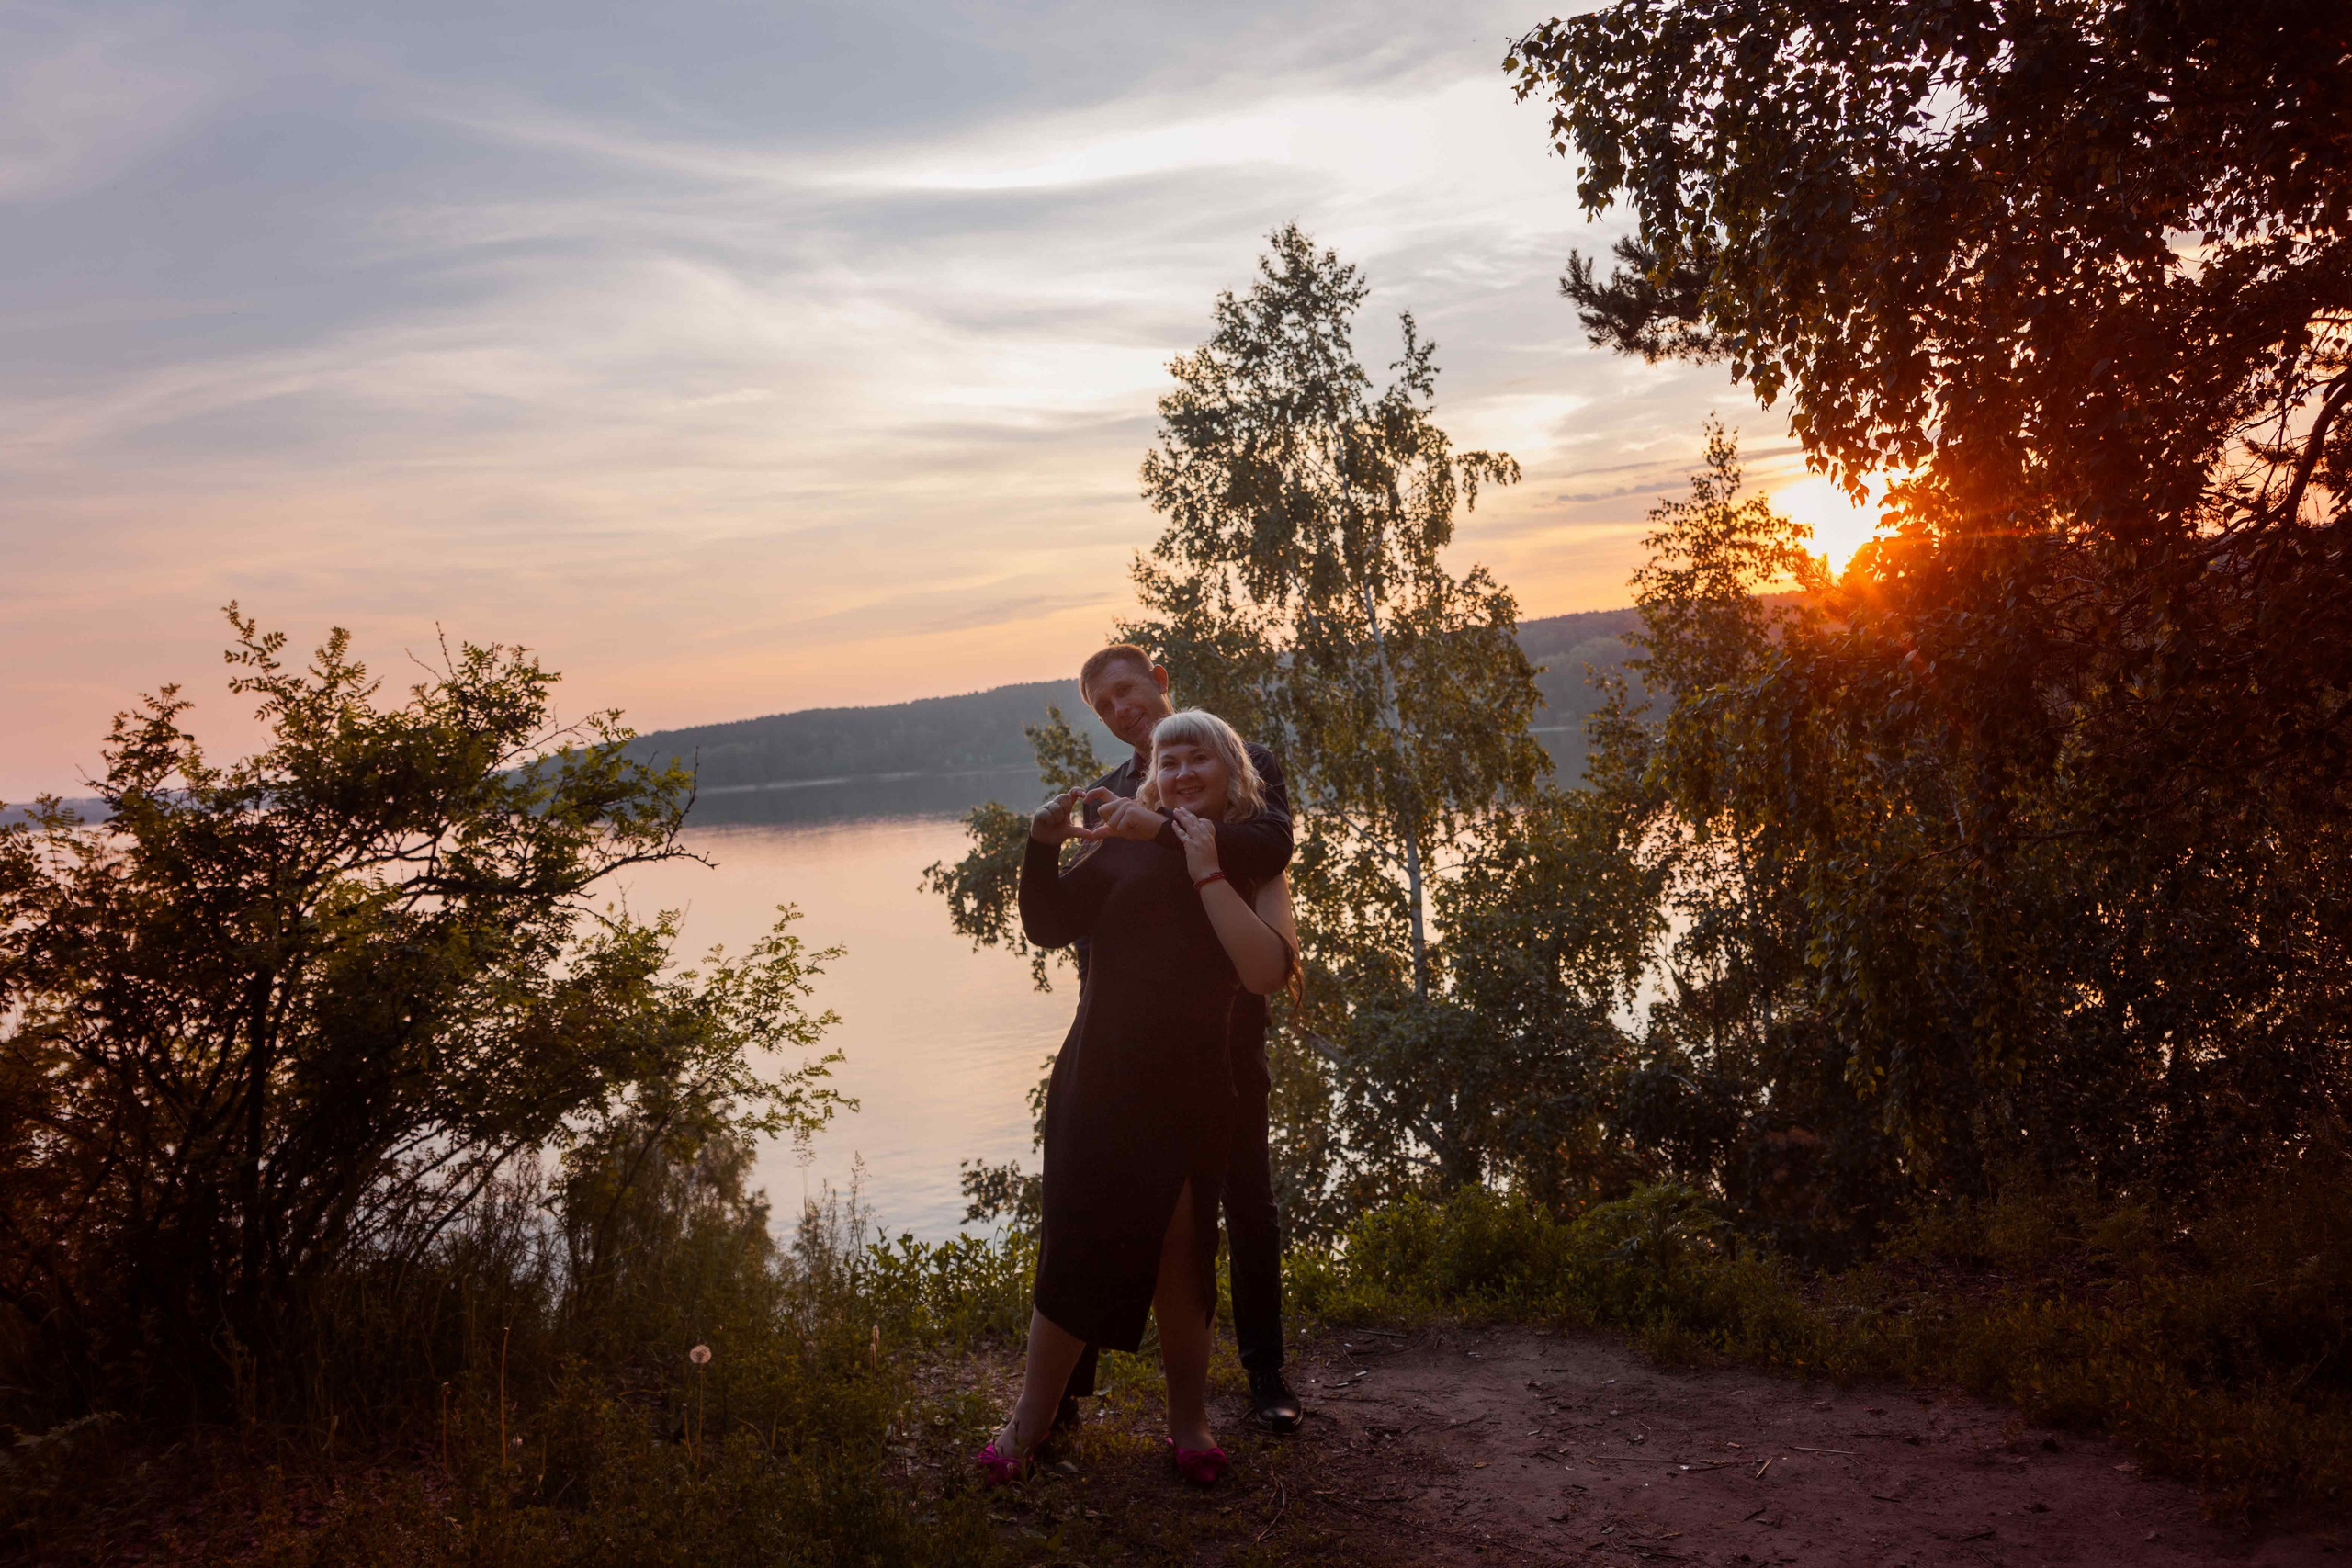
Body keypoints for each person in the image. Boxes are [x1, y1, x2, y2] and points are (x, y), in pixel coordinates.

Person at [977, 710, 1295, 1486]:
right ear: (1153, 773)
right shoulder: (1121, 850)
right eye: (1169, 760)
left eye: (1200, 760)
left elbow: (1266, 954)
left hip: (1192, 1084)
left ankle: (1189, 1425)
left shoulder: (1249, 855)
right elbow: (1048, 925)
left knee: (1182, 1260)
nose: (1183, 771)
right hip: (1100, 1077)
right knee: (1073, 1249)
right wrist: (1041, 845)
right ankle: (1028, 1422)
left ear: (1232, 773)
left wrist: (1185, 851)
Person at [1059, 645, 1306, 1437]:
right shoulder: (1112, 792)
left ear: (1159, 682)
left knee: (1246, 1200)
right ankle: (1067, 1388)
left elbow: (1268, 848)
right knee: (1100, 1202)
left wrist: (1161, 830)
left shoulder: (1242, 758)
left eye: (1128, 690)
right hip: (1129, 1036)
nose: (1121, 709)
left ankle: (1265, 1372)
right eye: (1104, 705)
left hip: (1227, 1021)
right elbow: (1095, 906)